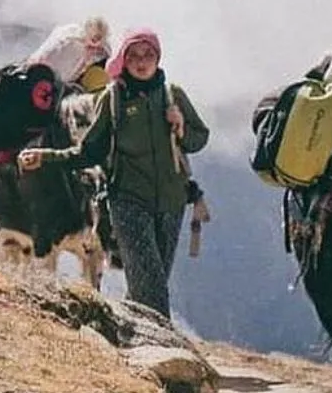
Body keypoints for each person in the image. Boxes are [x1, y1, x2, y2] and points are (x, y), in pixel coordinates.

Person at [17, 27, 209, 317]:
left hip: (171, 204)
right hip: (128, 202)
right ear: (124, 58)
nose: (141, 62)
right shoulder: (113, 98)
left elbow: (199, 139)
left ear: (158, 58)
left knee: (149, 282)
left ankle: (134, 338)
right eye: (134, 55)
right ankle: (162, 347)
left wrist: (181, 126)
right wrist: (46, 157)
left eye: (148, 55)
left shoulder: (173, 95)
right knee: (151, 285)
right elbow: (89, 151)